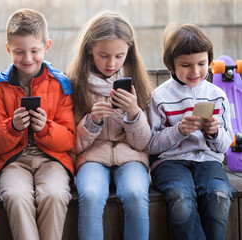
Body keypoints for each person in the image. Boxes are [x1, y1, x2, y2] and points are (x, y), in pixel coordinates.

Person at [0, 8, 76, 240]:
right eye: (19, 52)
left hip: (52, 158)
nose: (27, 59)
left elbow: (69, 139)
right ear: (8, 49)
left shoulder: (60, 85)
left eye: (34, 51)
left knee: (55, 194)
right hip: (12, 161)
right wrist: (13, 127)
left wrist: (46, 128)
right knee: (16, 196)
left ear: (47, 46)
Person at [67, 10, 153, 240]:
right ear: (89, 49)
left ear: (129, 52)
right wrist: (92, 122)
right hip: (92, 157)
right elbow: (73, 145)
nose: (111, 63)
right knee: (92, 195)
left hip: (131, 157)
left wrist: (134, 114)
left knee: (136, 194)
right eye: (103, 55)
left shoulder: (137, 82)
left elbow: (144, 143)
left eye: (119, 56)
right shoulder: (75, 85)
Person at [148, 23, 234, 240]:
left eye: (202, 63)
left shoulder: (217, 95)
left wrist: (214, 133)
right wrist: (177, 131)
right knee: (181, 200)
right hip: (169, 163)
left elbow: (225, 144)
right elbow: (150, 145)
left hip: (209, 160)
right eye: (185, 65)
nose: (195, 72)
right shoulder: (159, 96)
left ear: (209, 61)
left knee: (219, 197)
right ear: (171, 63)